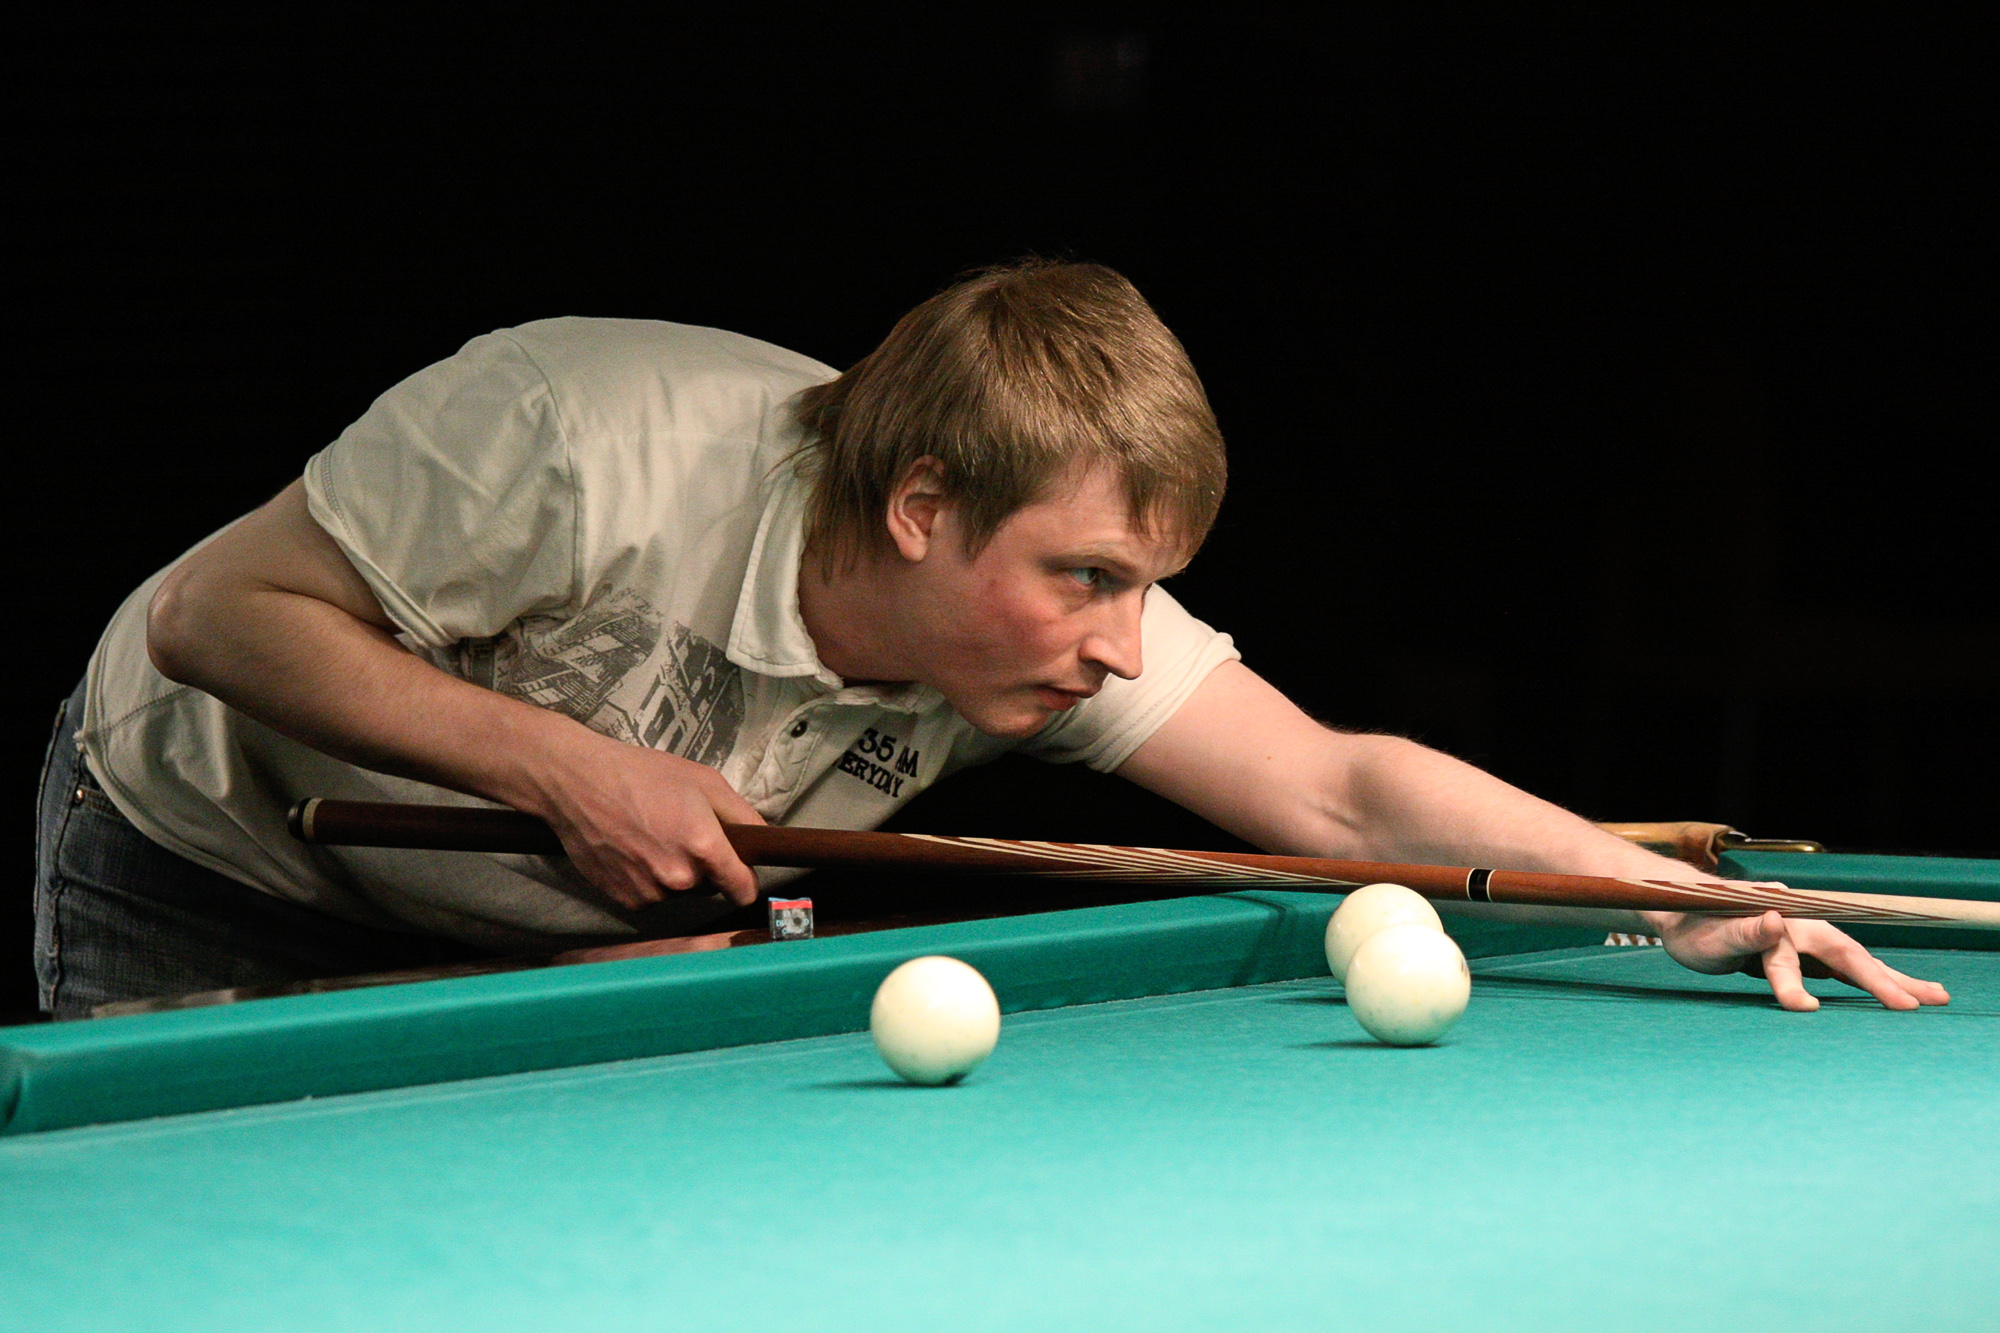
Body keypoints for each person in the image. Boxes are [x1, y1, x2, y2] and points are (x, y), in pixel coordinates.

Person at [35, 260, 1949, 1018]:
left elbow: (1340, 786)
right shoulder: (578, 436)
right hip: (209, 867)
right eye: (1087, 578)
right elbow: (219, 615)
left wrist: (1662, 895)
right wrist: (566, 765)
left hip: (549, 962)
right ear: (923, 506)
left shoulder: (1021, 634)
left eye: (1141, 588)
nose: (1121, 646)